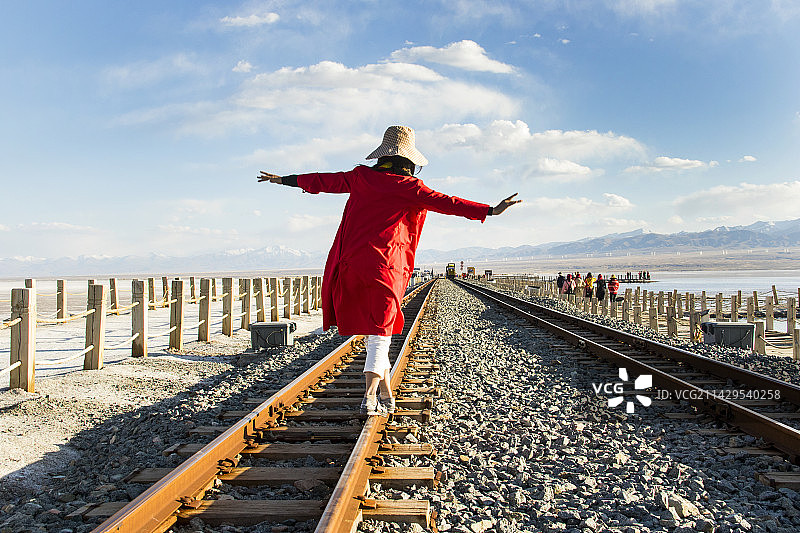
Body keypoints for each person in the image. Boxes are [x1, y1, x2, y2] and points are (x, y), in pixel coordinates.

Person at [258, 126, 521, 416]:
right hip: (386, 267)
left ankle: (386, 393)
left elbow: (324, 181)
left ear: (383, 156)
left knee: (375, 333)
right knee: (381, 335)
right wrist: (490, 210)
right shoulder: (413, 188)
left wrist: (285, 180)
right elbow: (450, 204)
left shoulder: (360, 178)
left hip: (352, 264)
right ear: (410, 161)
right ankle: (369, 398)